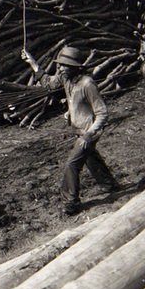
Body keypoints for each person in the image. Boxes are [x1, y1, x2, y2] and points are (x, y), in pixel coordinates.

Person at [21, 45, 119, 215]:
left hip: (89, 132)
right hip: (80, 130)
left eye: (64, 65)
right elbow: (49, 84)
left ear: (75, 67)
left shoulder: (87, 84)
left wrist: (90, 134)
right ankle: (109, 184)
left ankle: (71, 202)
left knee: (71, 165)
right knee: (90, 158)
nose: (60, 68)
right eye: (59, 64)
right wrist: (32, 62)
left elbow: (102, 113)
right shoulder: (66, 79)